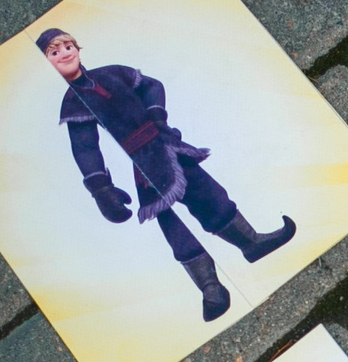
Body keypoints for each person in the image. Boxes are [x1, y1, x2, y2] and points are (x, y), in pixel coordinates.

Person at [39, 27, 295, 321]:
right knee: (173, 225)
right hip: (143, 163)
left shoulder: (112, 72)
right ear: (47, 62)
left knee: (210, 194)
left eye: (67, 46)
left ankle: (251, 243)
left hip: (164, 141)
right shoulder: (72, 102)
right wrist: (100, 188)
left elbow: (151, 85)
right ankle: (211, 290)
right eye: (54, 52)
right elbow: (84, 147)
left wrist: (157, 116)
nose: (64, 54)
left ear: (78, 47)